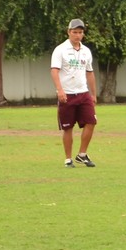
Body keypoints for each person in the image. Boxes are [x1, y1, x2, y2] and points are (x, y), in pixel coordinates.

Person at [50, 19, 97, 168]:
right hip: (67, 95)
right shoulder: (60, 50)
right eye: (75, 32)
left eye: (80, 32)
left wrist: (93, 94)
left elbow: (90, 73)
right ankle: (68, 159)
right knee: (67, 127)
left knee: (91, 122)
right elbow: (54, 71)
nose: (77, 35)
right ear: (69, 32)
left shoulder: (86, 51)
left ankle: (82, 154)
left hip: (83, 93)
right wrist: (60, 90)